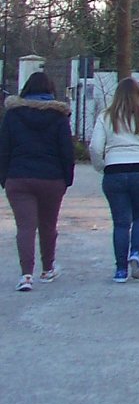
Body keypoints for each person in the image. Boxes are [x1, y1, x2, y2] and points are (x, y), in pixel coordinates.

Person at [90, 77, 139, 283]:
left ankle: (119, 270)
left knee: (120, 223)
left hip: (114, 171)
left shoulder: (106, 117)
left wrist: (101, 166)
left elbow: (95, 148)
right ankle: (136, 253)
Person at [2, 71, 75, 292]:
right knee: (48, 225)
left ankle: (25, 276)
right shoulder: (59, 117)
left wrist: (4, 178)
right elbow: (66, 151)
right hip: (51, 178)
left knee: (25, 227)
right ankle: (47, 269)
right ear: (50, 90)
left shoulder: (13, 116)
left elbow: (3, 149)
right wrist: (66, 179)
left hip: (19, 177)